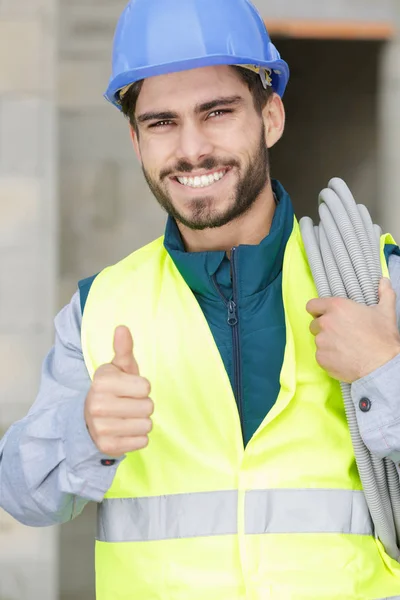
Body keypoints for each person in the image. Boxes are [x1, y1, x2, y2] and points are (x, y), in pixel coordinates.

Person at [2, 0, 400, 597]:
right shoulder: (100, 309)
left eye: (217, 112)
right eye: (162, 122)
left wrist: (384, 371)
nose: (192, 149)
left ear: (271, 117)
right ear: (136, 141)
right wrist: (82, 431)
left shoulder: (378, 285)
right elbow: (20, 497)